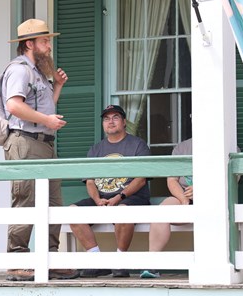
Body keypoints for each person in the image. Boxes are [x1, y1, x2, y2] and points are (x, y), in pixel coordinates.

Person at [3, 19, 79, 282]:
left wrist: (56, 86)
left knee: (53, 202)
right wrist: (47, 121)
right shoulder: (20, 71)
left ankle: (50, 259)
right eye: (45, 41)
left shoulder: (38, 73)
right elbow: (14, 106)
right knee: (25, 199)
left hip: (45, 144)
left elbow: (44, 110)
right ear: (29, 44)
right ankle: (18, 261)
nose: (49, 46)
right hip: (25, 141)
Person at [69, 104, 151, 278]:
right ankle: (96, 260)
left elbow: (141, 179)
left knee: (122, 211)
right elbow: (90, 182)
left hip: (132, 198)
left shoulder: (137, 145)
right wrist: (98, 199)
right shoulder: (96, 149)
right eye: (106, 118)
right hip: (103, 199)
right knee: (72, 212)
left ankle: (120, 262)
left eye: (115, 117)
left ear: (123, 122)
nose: (110, 122)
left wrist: (119, 197)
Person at [140, 137, 193, 279]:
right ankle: (152, 264)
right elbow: (172, 179)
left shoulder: (227, 144)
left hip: (215, 200)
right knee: (161, 211)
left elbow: (232, 179)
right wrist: (183, 199)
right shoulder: (182, 148)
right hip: (184, 197)